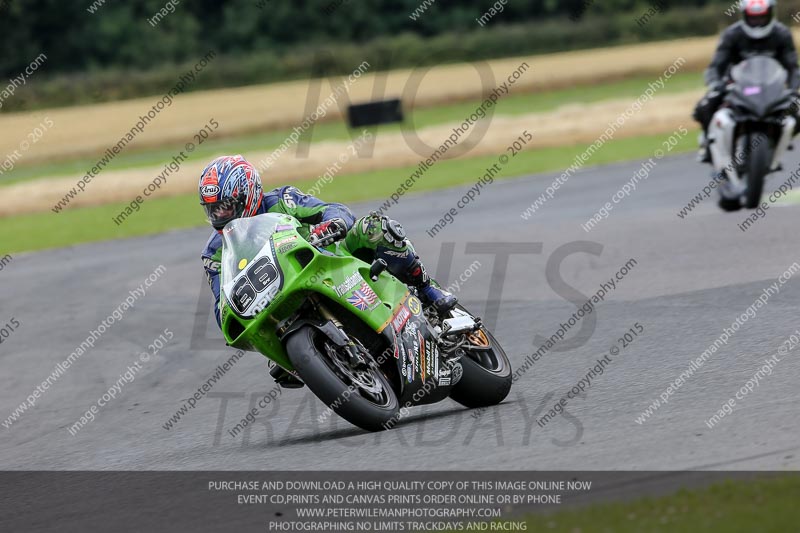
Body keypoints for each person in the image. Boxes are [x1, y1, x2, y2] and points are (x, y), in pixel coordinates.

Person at [199, 155, 456, 385]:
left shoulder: (282, 200)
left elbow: (333, 210)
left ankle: (427, 289)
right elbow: (222, 300)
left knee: (375, 228)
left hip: (332, 261)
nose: (220, 215)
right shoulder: (214, 252)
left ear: (248, 193)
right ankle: (304, 359)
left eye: (226, 206)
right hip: (279, 297)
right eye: (213, 209)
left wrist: (332, 224)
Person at [693, 0, 800, 162]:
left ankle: (779, 140)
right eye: (753, 18)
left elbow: (792, 67)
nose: (757, 23)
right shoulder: (732, 34)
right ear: (744, 16)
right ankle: (709, 144)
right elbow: (716, 66)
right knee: (705, 107)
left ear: (770, 14)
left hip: (772, 88)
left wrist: (793, 89)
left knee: (797, 108)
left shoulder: (781, 34)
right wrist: (716, 84)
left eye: (761, 18)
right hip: (736, 87)